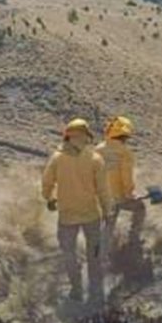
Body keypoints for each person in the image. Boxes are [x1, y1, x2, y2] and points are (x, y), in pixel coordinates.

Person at [43, 119, 112, 311]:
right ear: (86, 136)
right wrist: (108, 210)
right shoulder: (95, 159)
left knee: (69, 253)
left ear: (67, 136)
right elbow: (103, 190)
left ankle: (76, 289)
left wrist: (49, 198)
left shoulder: (57, 158)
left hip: (66, 217)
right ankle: (96, 291)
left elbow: (47, 183)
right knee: (94, 254)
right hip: (92, 215)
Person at [96, 116, 145, 247]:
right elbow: (126, 177)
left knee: (106, 226)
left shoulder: (97, 149)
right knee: (140, 208)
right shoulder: (125, 152)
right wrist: (130, 194)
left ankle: (97, 255)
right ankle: (133, 239)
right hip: (117, 197)